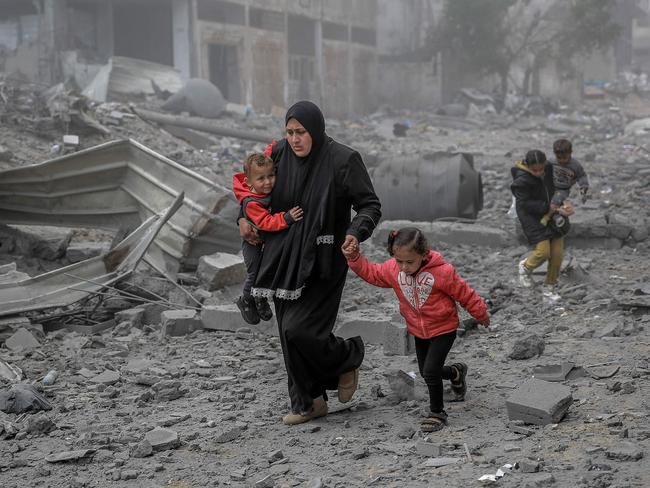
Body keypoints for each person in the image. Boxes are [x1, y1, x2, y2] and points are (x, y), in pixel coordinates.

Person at [238, 100, 381, 425]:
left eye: (300, 132)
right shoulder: (277, 155)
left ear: (314, 129)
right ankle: (310, 402)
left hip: (324, 260)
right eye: (289, 132)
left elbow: (370, 205)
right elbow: (253, 192)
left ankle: (346, 357)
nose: (294, 139)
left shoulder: (343, 159)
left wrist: (355, 232)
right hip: (280, 259)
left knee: (300, 329)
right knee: (288, 335)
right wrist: (242, 220)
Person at [342, 227, 490, 432]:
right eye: (399, 260)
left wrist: (480, 313)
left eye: (409, 262)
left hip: (444, 328)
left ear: (424, 254)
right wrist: (355, 258)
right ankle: (456, 372)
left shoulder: (442, 272)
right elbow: (373, 273)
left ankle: (438, 412)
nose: (404, 267)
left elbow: (465, 293)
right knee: (426, 371)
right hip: (418, 331)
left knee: (430, 372)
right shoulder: (394, 270)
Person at [232, 152, 304, 325]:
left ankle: (260, 298)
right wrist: (286, 218)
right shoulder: (252, 203)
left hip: (266, 240)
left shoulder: (266, 191)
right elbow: (266, 222)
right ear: (249, 182)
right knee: (255, 272)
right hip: (253, 242)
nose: (267, 182)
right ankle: (247, 300)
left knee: (268, 268)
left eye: (271, 176)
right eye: (261, 179)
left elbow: (272, 150)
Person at [511, 149, 572, 298]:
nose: (538, 173)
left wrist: (562, 202)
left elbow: (557, 187)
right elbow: (524, 204)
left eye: (541, 169)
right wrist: (547, 207)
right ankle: (525, 267)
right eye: (535, 170)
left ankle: (549, 287)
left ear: (545, 164)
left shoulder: (550, 169)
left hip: (552, 213)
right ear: (528, 166)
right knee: (543, 252)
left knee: (557, 255)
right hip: (532, 217)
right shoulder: (521, 181)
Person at [550, 139, 589, 206]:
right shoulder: (551, 162)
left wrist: (583, 186)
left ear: (570, 153)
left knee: (556, 201)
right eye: (559, 157)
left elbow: (581, 176)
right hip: (550, 186)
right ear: (554, 153)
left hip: (563, 189)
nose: (562, 160)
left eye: (564, 158)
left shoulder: (575, 165)